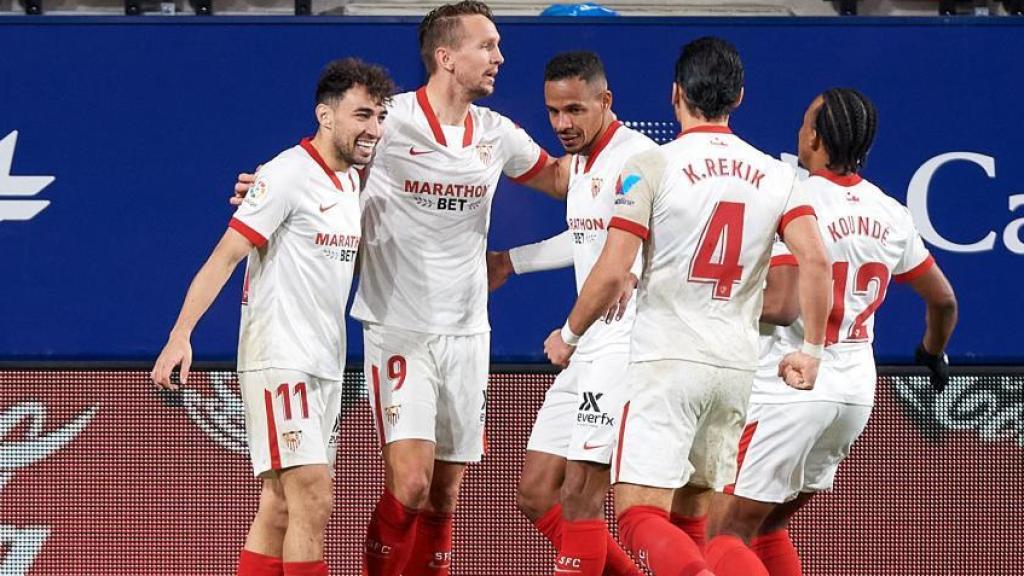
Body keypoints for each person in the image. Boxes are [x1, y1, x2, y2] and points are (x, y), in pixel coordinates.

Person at [543, 37, 832, 576]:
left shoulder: (650, 165)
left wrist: (571, 335)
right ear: (739, 97)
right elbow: (816, 259)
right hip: (735, 369)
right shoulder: (777, 174)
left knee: (636, 515)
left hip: (665, 365)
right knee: (695, 520)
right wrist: (812, 350)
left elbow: (611, 270)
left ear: (675, 93)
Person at [152, 59, 393, 576]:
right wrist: (181, 334)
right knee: (314, 496)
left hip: (325, 362)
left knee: (279, 503)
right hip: (280, 356)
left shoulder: (352, 183)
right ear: (325, 116)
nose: (373, 128)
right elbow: (224, 257)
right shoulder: (285, 174)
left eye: (380, 116)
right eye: (362, 115)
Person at [710, 88, 958, 576]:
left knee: (721, 536)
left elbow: (780, 307)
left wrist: (709, 304)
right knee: (765, 529)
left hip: (789, 388)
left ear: (816, 137)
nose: (801, 129)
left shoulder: (792, 198)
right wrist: (932, 351)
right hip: (852, 398)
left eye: (806, 122)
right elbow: (944, 301)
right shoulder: (890, 212)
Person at [487, 51, 651, 576]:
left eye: (575, 110)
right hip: (589, 342)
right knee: (536, 494)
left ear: (606, 101)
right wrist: (513, 260)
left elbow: (635, 249)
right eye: (554, 112)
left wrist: (572, 331)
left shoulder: (636, 159)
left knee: (583, 496)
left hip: (622, 342)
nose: (563, 124)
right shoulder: (581, 163)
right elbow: (586, 237)